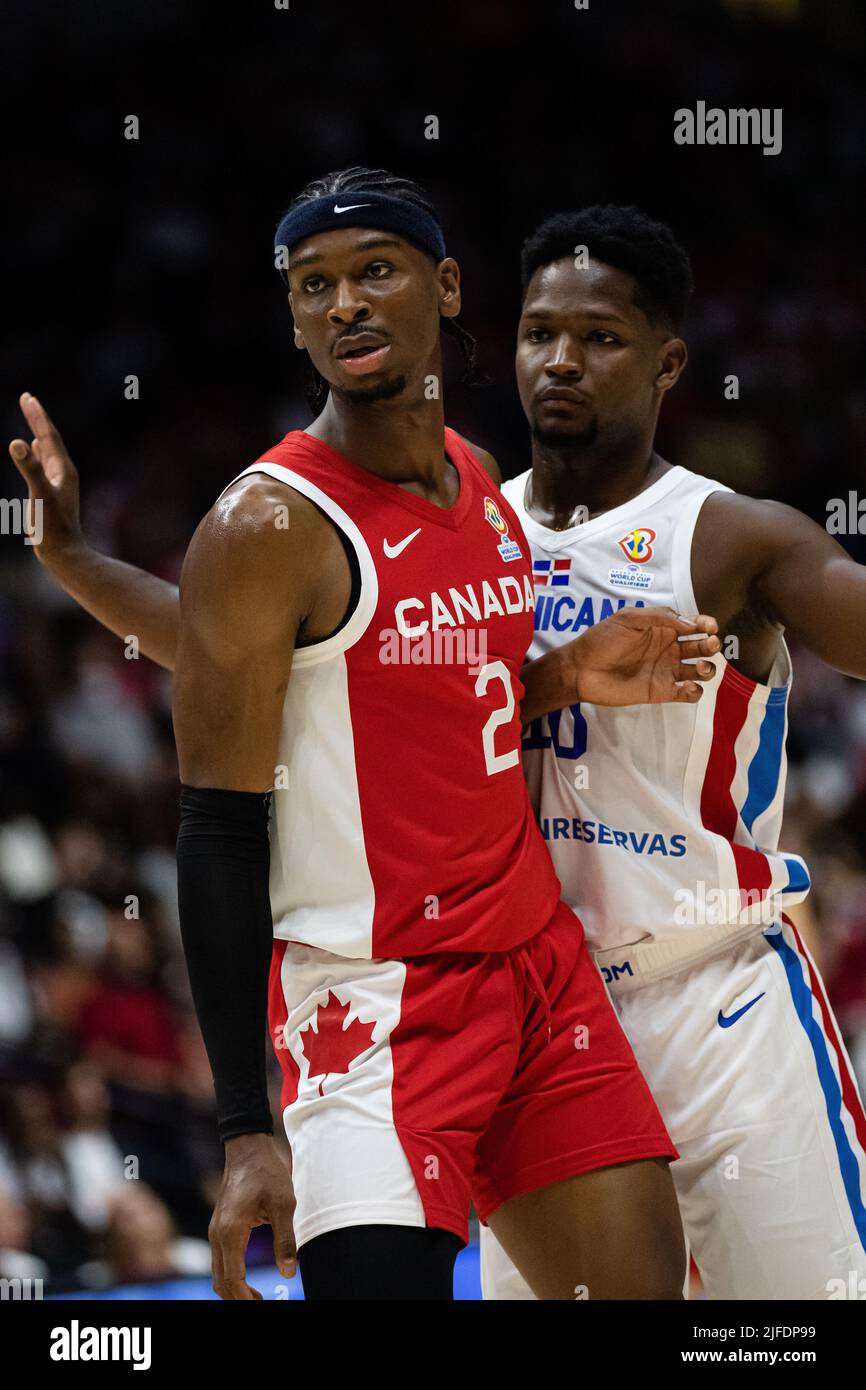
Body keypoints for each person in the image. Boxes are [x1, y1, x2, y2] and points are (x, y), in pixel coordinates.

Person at [8, 168, 721, 1301]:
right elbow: (216, 824)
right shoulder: (265, 523)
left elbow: (387, 684)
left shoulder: (479, 479)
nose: (342, 302)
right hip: (375, 1003)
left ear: (442, 288)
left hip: (536, 974)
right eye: (313, 284)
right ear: (292, 318)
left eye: (372, 272)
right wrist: (246, 1126)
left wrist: (562, 674)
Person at [480, 204, 866, 1300]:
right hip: (540, 1024)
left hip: (715, 1000)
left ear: (666, 362)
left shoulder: (728, 535)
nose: (560, 359)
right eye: (538, 332)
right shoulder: (467, 542)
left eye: (598, 337)